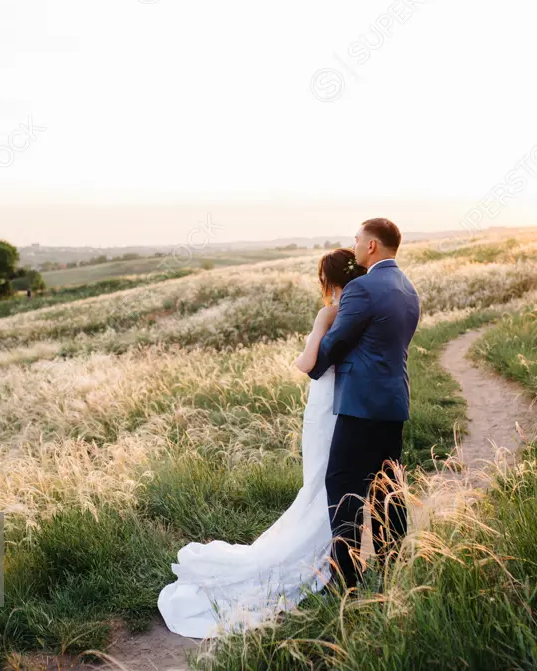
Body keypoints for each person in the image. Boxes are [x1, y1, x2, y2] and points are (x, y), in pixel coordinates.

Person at [157, 247, 366, 638]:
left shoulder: (331, 312)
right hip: (343, 402)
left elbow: (306, 364)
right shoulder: (360, 312)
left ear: (329, 280)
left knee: (320, 479)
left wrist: (312, 339)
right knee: (327, 479)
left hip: (324, 405)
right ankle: (334, 553)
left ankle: (318, 553)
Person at [307, 218, 420, 592]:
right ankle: (392, 569)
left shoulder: (364, 289)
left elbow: (337, 341)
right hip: (393, 402)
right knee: (388, 486)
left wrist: (313, 363)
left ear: (372, 245)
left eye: (358, 240)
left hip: (361, 406)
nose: (354, 246)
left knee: (343, 485)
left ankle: (347, 579)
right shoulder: (407, 287)